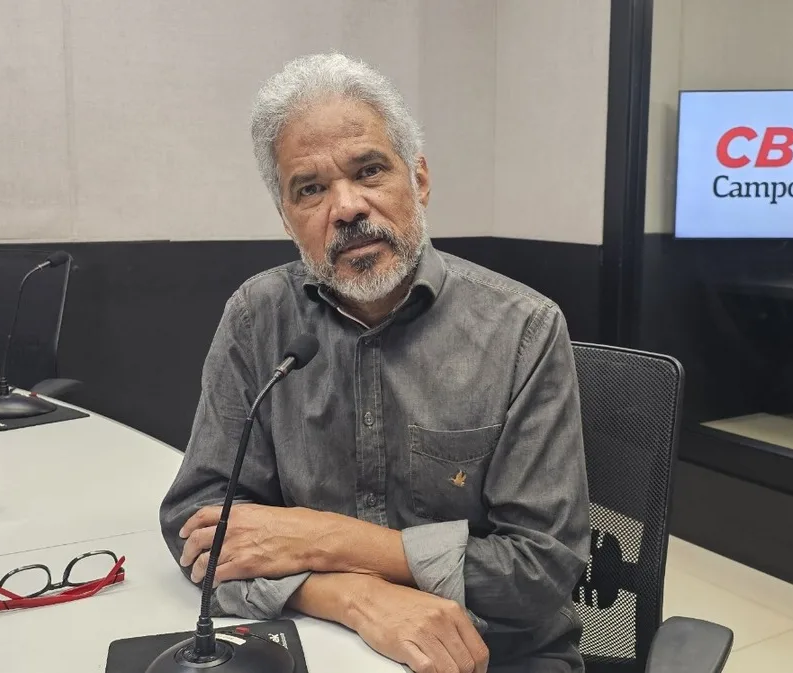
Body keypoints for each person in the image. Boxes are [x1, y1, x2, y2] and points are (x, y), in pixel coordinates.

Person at [158, 53, 591, 673]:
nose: (347, 207)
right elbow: (197, 524)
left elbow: (538, 574)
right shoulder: (257, 318)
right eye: (310, 189)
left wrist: (325, 539)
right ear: (286, 217)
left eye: (370, 170)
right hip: (321, 640)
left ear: (418, 179)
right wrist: (353, 596)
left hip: (493, 656)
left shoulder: (523, 329)